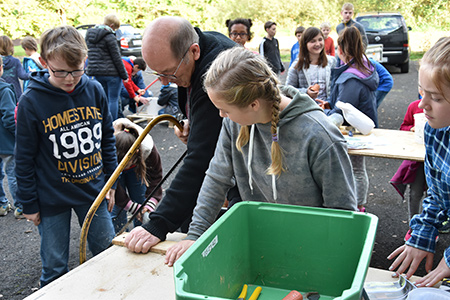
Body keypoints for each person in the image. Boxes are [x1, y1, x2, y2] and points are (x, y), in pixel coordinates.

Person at [164, 47, 357, 266]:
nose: (221, 115)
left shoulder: (319, 136)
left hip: (312, 253)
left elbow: (342, 213)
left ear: (253, 104)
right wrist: (195, 235)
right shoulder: (234, 124)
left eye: (224, 109)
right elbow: (217, 178)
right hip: (261, 246)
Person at [123, 16, 237, 254]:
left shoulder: (215, 72)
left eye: (169, 73)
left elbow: (201, 160)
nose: (164, 82)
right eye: (158, 74)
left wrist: (158, 223)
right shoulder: (199, 43)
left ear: (194, 51)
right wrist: (192, 124)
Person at [15, 26, 117, 287]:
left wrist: (111, 184)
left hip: (93, 190)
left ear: (85, 60)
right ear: (44, 61)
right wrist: (29, 203)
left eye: (77, 69)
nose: (70, 78)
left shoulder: (95, 90)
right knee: (55, 267)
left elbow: (107, 139)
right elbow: (24, 157)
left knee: (109, 254)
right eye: (60, 71)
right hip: (52, 198)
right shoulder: (31, 101)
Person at [388, 37, 450, 287]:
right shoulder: (436, 130)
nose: (422, 105)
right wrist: (422, 235)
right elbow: (437, 193)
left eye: (435, 97)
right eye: (421, 92)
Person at [324, 26, 379, 212]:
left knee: (355, 169)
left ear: (342, 49)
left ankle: (357, 206)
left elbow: (341, 110)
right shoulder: (366, 66)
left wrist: (324, 120)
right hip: (364, 126)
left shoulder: (351, 78)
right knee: (358, 168)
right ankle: (358, 203)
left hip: (353, 131)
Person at [111, 118, 163, 233]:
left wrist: (149, 204)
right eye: (121, 165)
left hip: (137, 167)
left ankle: (141, 232)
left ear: (137, 153)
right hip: (113, 168)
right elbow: (112, 186)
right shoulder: (108, 148)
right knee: (116, 209)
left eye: (125, 165)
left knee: (141, 200)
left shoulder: (148, 149)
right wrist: (130, 206)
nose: (123, 168)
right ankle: (117, 235)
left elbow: (156, 178)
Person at [390, 99, 426, 241]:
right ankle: (413, 226)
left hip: (435, 160)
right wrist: (412, 128)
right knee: (415, 193)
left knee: (434, 196)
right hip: (416, 158)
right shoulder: (414, 106)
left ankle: (429, 227)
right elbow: (404, 126)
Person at [85, 14, 128, 120]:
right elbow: (117, 58)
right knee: (113, 99)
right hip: (112, 74)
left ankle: (102, 122)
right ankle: (112, 125)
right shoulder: (109, 36)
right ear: (112, 25)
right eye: (115, 28)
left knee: (102, 99)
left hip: (96, 73)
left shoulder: (89, 35)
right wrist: (124, 75)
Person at [286, 27, 337, 104]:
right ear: (305, 44)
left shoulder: (332, 62)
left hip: (328, 107)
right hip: (307, 109)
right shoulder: (297, 66)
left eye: (320, 40)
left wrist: (329, 102)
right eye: (313, 41)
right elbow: (287, 90)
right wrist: (306, 92)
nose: (317, 44)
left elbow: (336, 87)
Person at [0, 55, 20, 217]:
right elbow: (9, 117)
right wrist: (18, 133)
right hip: (5, 141)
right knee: (13, 174)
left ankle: (2, 203)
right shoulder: (4, 90)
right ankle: (20, 206)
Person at [0, 35, 30, 101]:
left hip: (2, 92)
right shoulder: (15, 61)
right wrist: (32, 72)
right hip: (15, 93)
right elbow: (23, 76)